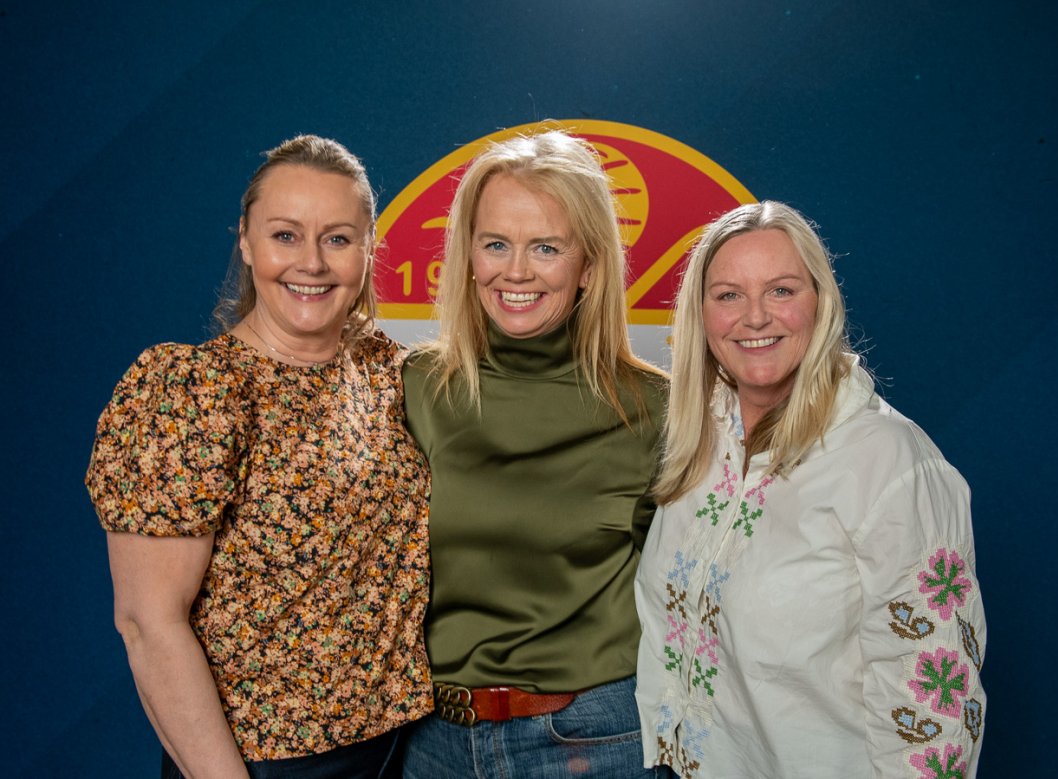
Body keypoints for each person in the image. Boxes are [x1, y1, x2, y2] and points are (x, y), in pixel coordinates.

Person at [86, 135, 432, 778]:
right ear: (246, 242)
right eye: (285, 236)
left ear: (368, 250)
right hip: (261, 763)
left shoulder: (384, 371)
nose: (312, 263)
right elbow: (147, 622)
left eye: (337, 238)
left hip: (400, 750)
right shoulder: (193, 391)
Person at [635, 201, 987, 778]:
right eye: (728, 295)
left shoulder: (891, 464)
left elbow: (935, 697)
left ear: (820, 302)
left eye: (781, 290)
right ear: (700, 313)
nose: (754, 317)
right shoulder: (700, 438)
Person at [398, 130, 670, 778]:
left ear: (590, 266)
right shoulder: (415, 388)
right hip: (435, 743)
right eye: (496, 243)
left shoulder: (656, 409)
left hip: (593, 742)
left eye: (546, 247)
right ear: (468, 255)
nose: (515, 271)